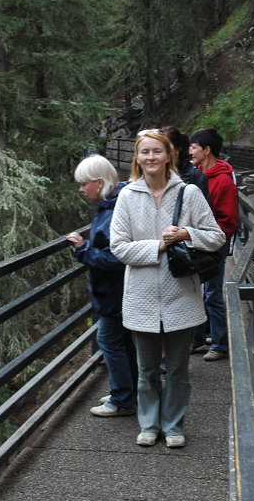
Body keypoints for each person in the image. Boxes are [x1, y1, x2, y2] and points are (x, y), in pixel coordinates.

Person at [110, 130, 225, 448]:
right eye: (144, 152)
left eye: (156, 152)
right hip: (141, 296)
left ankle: (173, 425)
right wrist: (161, 245)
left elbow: (216, 237)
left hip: (181, 294)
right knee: (147, 368)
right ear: (137, 157)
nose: (150, 158)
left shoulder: (188, 194)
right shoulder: (127, 196)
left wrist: (187, 233)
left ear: (169, 155)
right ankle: (149, 423)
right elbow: (119, 247)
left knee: (177, 368)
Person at [67, 155, 137, 417]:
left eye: (84, 184)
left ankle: (122, 399)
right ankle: (129, 392)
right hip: (118, 291)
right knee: (124, 342)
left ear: (98, 183)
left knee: (109, 341)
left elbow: (116, 257)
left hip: (114, 293)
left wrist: (82, 249)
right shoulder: (112, 205)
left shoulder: (113, 211)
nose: (81, 189)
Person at [189, 128, 239, 361]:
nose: (190, 151)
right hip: (197, 240)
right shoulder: (198, 174)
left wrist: (212, 238)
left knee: (212, 294)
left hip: (214, 242)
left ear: (206, 150)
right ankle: (200, 337)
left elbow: (229, 219)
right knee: (195, 291)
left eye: (194, 147)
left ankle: (220, 344)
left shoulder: (222, 180)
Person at [159, 125, 210, 202]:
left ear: (178, 148)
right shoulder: (154, 173)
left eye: (166, 146)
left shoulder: (196, 176)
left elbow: (202, 210)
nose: (162, 150)